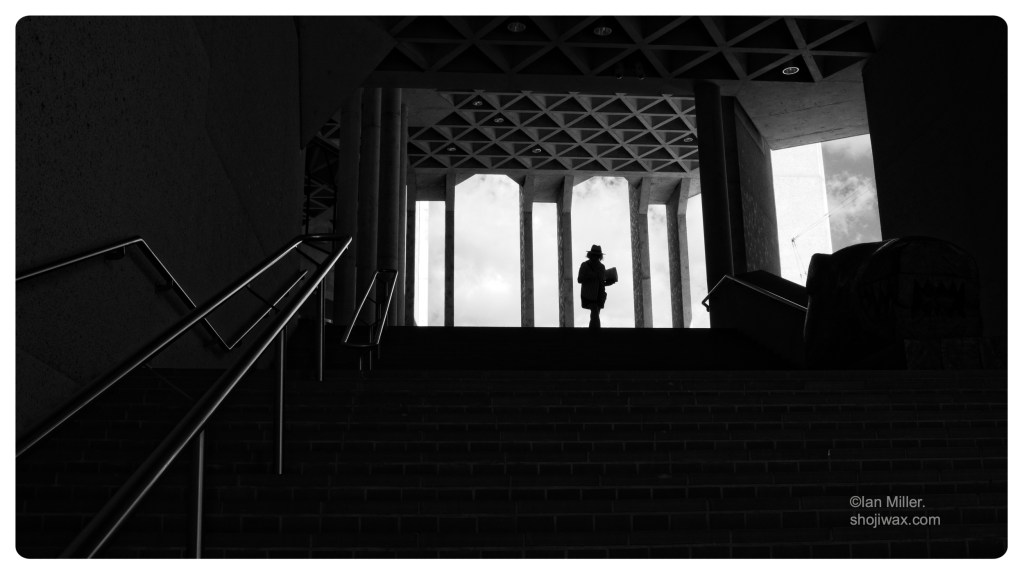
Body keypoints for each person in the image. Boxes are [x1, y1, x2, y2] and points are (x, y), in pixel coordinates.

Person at [577, 244, 615, 329]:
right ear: (590, 255)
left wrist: (609, 282)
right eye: (594, 255)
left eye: (597, 256)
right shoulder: (585, 265)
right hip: (588, 294)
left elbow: (601, 283)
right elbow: (579, 279)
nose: (595, 258)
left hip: (599, 295)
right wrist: (591, 275)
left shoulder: (601, 267)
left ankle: (593, 332)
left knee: (595, 315)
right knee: (595, 314)